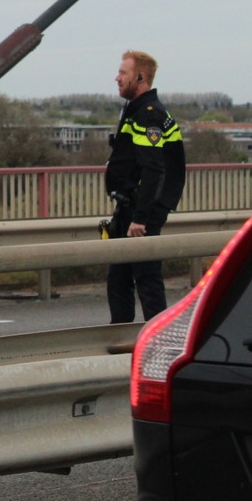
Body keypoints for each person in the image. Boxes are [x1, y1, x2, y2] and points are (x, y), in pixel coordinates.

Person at [105, 50, 185, 323]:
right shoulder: (137, 109)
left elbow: (154, 168)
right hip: (131, 206)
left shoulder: (149, 114)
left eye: (123, 73)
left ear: (139, 77)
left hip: (141, 211)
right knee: (119, 279)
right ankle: (122, 343)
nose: (117, 78)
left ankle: (155, 344)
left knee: (146, 279)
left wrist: (140, 218)